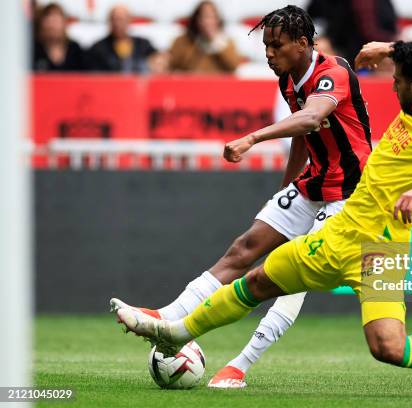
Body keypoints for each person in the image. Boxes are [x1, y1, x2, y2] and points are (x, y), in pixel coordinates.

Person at [115, 40, 412, 398]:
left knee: (263, 284)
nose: (391, 85)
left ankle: (176, 333)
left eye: (396, 80)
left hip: (351, 241)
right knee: (385, 345)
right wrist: (390, 48)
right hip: (383, 248)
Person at [111, 5, 371, 389]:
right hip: (314, 184)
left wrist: (251, 137)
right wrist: (287, 187)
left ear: (302, 43)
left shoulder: (333, 73)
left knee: (291, 274)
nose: (269, 53)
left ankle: (239, 365)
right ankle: (166, 318)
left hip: (351, 194)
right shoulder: (288, 79)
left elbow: (312, 118)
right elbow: (303, 136)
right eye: (266, 45)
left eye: (276, 45)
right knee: (244, 248)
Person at [308, 0, 397, 67]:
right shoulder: (325, 3)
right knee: (320, 47)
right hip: (340, 50)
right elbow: (311, 22)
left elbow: (392, 28)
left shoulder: (382, 3)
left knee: (391, 56)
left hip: (374, 49)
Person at [168, 1, 242, 73]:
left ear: (218, 20)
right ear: (196, 19)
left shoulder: (227, 42)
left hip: (217, 84)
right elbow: (174, 66)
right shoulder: (182, 41)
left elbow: (233, 66)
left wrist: (216, 42)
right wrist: (196, 42)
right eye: (205, 17)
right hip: (189, 83)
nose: (208, 22)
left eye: (213, 17)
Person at [87, 5, 157, 73]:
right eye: (114, 19)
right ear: (109, 21)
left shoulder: (144, 45)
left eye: (121, 19)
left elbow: (156, 64)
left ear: (129, 20)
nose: (118, 24)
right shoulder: (98, 48)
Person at [33, 3, 85, 71]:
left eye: (56, 21)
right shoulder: (34, 50)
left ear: (64, 24)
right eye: (49, 21)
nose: (52, 25)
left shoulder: (75, 50)